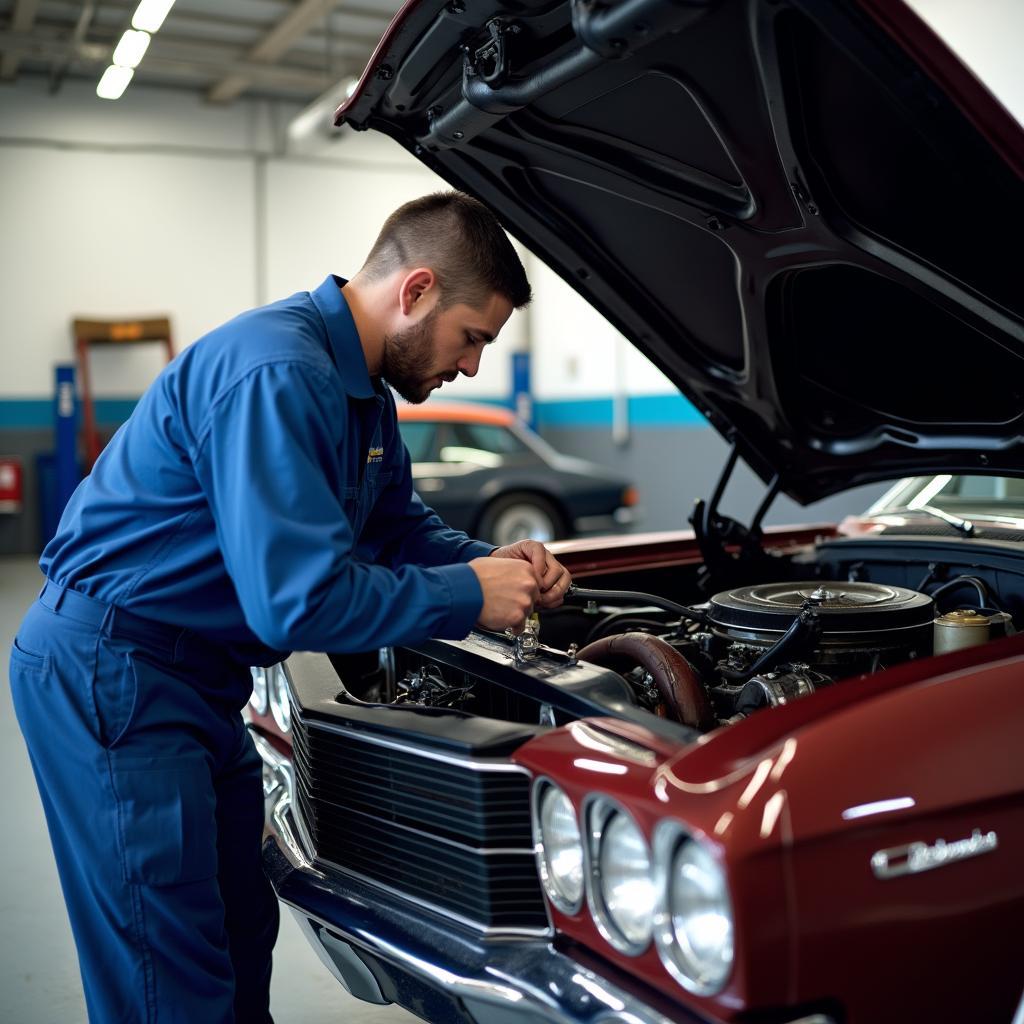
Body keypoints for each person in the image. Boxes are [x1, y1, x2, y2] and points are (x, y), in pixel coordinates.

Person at [9, 191, 572, 1023]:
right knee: (168, 978)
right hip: (115, 672)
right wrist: (469, 597)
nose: (472, 367)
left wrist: (487, 563)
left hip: (195, 678)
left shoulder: (363, 395)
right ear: (415, 291)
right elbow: (297, 605)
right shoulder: (279, 372)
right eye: (472, 338)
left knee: (240, 927)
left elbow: (392, 529)